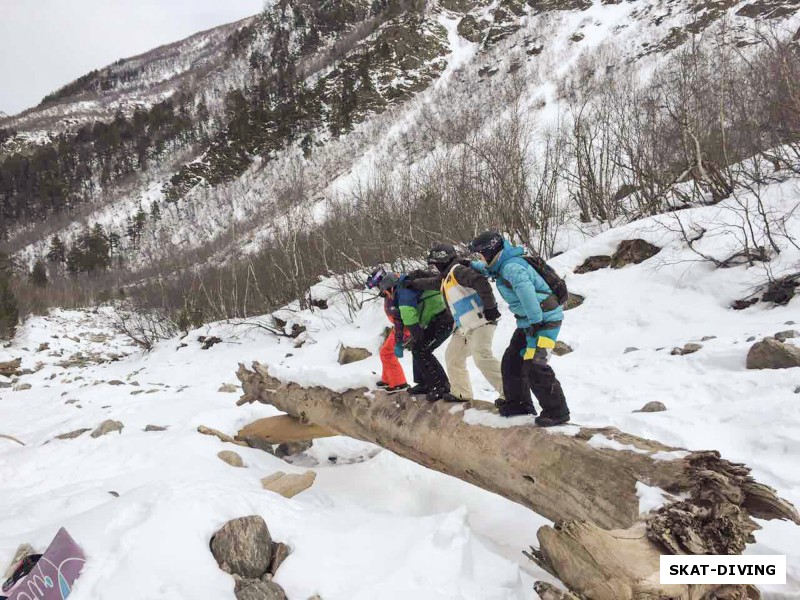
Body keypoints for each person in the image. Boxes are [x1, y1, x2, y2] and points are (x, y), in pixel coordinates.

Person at [469, 231, 570, 426]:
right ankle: (519, 404)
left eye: (480, 254)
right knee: (512, 360)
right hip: (529, 322)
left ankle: (557, 411)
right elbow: (488, 269)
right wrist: (471, 265)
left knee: (535, 364)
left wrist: (535, 322)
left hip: (544, 321)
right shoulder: (502, 264)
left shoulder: (512, 267)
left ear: (489, 251)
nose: (479, 258)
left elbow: (527, 294)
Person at [408, 243, 505, 403]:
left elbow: (480, 281)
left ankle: (510, 394)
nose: (435, 267)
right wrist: (414, 284)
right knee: (453, 357)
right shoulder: (447, 277)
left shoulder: (459, 271)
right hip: (465, 327)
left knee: (482, 357)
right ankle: (461, 393)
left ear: (443, 260)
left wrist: (490, 307)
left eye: (436, 263)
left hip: (481, 321)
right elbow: (432, 283)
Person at [394, 269, 456, 401]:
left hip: (443, 320)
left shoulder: (403, 294)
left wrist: (416, 334)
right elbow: (399, 318)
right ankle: (424, 383)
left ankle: (442, 386)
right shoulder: (407, 289)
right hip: (438, 319)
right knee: (418, 348)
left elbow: (408, 316)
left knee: (422, 350)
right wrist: (401, 340)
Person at [366, 267, 409, 393]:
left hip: (404, 326)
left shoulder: (394, 291)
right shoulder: (390, 290)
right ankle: (388, 379)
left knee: (387, 353)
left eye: (377, 286)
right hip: (400, 325)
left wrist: (400, 338)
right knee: (385, 351)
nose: (378, 289)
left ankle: (399, 383)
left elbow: (399, 314)